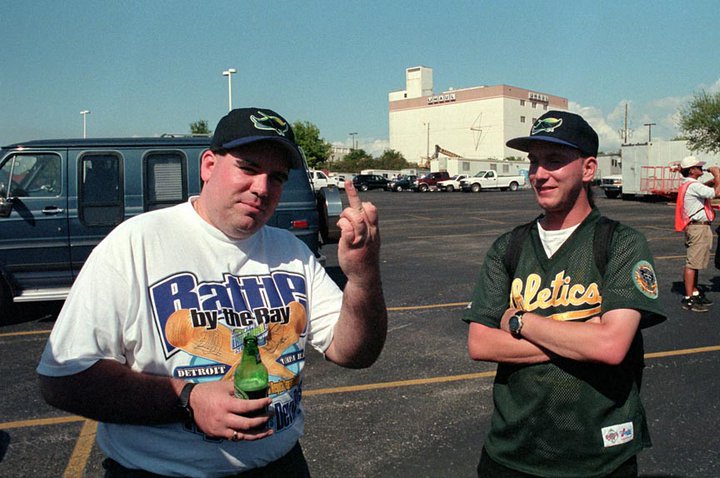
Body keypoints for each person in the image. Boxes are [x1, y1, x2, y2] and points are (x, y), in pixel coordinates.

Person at [37, 107, 387, 477]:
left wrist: (362, 276)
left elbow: (354, 352)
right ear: (208, 165)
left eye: (277, 177)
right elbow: (64, 379)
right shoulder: (136, 243)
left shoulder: (291, 252)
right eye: (248, 168)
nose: (262, 188)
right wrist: (186, 398)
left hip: (281, 467)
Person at [463, 111, 666, 478]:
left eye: (554, 160)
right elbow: (480, 343)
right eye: (534, 162)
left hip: (599, 459)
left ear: (588, 169)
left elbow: (610, 346)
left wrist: (519, 321)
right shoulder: (508, 247)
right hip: (511, 453)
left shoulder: (621, 243)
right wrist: (583, 337)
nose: (539, 174)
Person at [674, 155, 720, 312]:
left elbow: (706, 188)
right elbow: (716, 193)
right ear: (692, 170)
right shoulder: (693, 185)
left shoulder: (691, 184)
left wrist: (713, 180)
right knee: (693, 263)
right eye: (698, 167)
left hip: (696, 227)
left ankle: (694, 292)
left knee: (696, 261)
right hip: (698, 228)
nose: (701, 169)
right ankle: (689, 298)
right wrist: (717, 174)